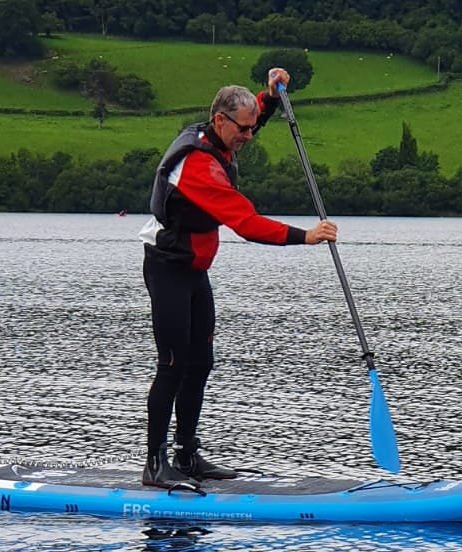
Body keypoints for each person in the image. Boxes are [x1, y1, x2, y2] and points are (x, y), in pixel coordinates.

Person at [140, 68, 337, 486]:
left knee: (201, 363)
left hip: (194, 272)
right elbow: (246, 223)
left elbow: (249, 120)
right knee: (172, 366)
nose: (249, 136)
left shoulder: (219, 137)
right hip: (168, 271)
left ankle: (188, 456)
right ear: (219, 122)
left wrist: (267, 98)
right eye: (243, 130)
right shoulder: (197, 167)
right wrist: (307, 236)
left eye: (251, 128)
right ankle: (155, 466)